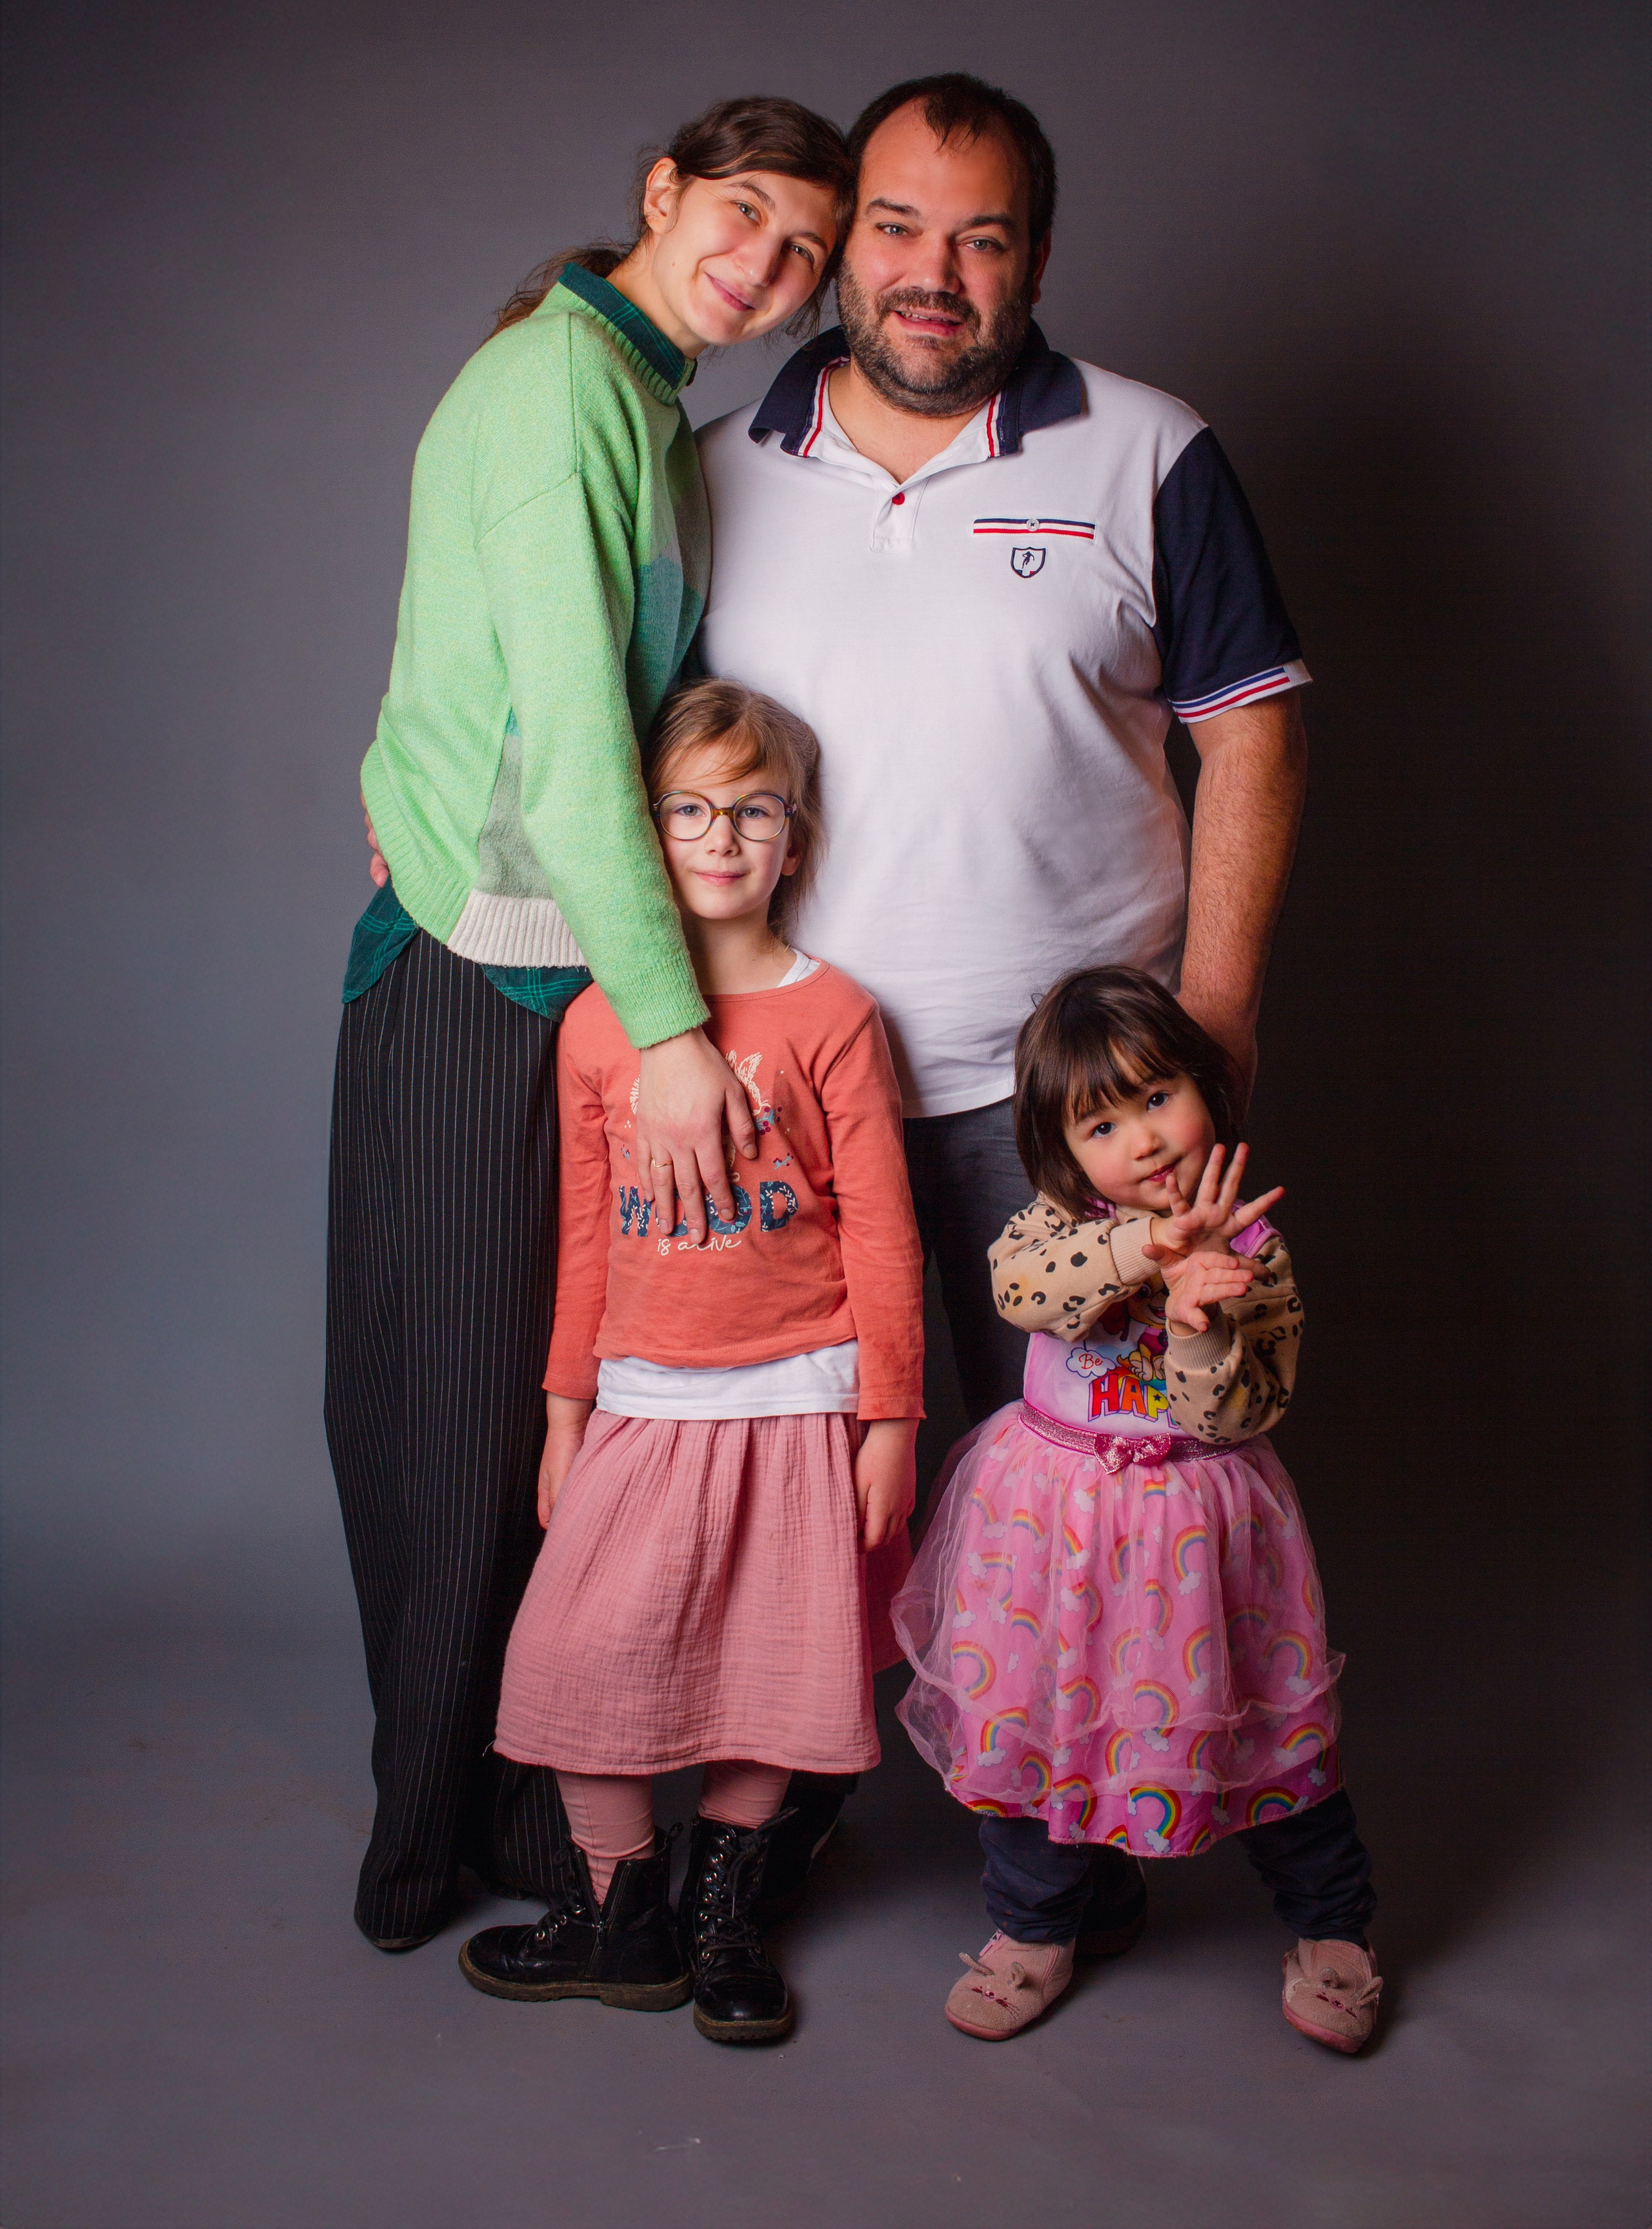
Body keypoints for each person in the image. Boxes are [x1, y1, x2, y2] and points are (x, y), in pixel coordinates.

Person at [695, 68, 1311, 1883]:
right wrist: (422, 804)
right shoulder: (717, 473)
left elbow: (1254, 739)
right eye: (895, 226)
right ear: (841, 244)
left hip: (1057, 1119)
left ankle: (1094, 1865)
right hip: (784, 1102)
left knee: (1113, 1497)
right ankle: (767, 1843)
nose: (932, 273)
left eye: (981, 235)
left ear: (1038, 254)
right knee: (792, 1502)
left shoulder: (1148, 449)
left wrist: (1218, 1026)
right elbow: (601, 727)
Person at [328, 99, 853, 1951]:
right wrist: (679, 1032)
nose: (767, 270)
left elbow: (533, 684)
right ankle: (428, 1852)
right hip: (484, 977)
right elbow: (557, 742)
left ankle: (559, 1838)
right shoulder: (562, 383)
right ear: (660, 195)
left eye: (804, 250)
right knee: (447, 1419)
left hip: (576, 976)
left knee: (559, 1418)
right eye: (741, 218)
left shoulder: (643, 406)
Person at [456, 681, 923, 2042]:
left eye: (753, 811)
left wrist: (887, 1419)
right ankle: (626, 1916)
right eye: (688, 811)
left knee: (774, 1668)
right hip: (646, 1401)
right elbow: (585, 1239)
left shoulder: (833, 1014)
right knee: (573, 1655)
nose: (721, 838)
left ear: (796, 838)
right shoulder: (600, 1025)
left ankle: (725, 1914)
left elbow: (885, 1238)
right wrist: (562, 1411)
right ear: (643, 834)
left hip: (801, 1397)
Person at [892, 967, 1379, 2052]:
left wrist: (1204, 1318)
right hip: (1048, 1526)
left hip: (1197, 1535)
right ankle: (1033, 1927)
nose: (1144, 1140)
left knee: (1257, 1727)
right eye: (1102, 1123)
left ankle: (1331, 1926)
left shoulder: (1256, 1248)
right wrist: (1146, 1251)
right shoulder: (1052, 1226)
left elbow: (1240, 1410)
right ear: (1064, 1154)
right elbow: (1025, 1295)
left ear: (1205, 1090)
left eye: (1159, 1097)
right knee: (1039, 1722)